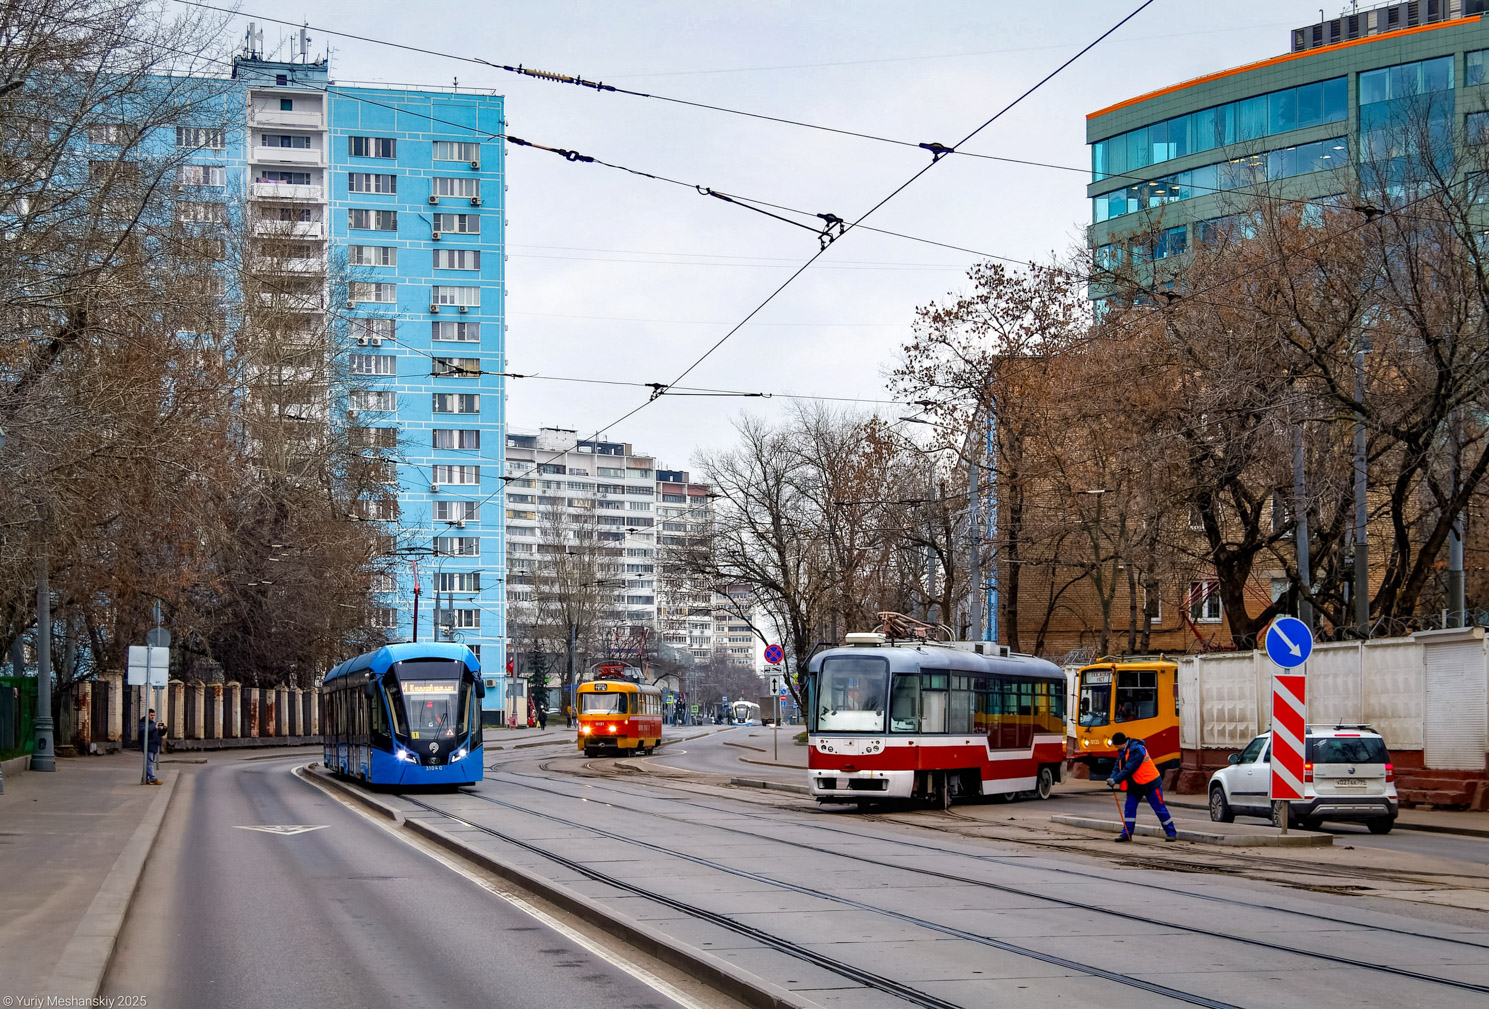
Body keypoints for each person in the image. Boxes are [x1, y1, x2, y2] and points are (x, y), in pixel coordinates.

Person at [1106, 731, 1176, 842]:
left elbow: (1129, 768)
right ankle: (1127, 834)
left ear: (1121, 743)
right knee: (1129, 809)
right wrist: (1112, 777)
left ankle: (1171, 833)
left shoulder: (1137, 749)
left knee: (1159, 809)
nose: (1115, 748)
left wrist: (1116, 780)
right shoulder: (1123, 751)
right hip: (1135, 785)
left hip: (1151, 783)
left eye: (1116, 745)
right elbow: (1118, 765)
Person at [138, 708, 165, 785]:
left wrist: (164, 730)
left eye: (153, 715)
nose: (152, 717)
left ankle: (144, 779)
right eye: (151, 715)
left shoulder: (153, 723)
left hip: (154, 746)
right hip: (148, 746)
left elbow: (159, 733)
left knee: (148, 763)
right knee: (149, 763)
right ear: (147, 715)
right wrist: (155, 727)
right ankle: (153, 778)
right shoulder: (143, 723)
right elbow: (146, 731)